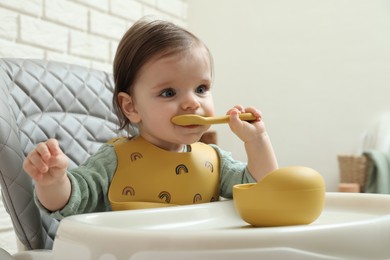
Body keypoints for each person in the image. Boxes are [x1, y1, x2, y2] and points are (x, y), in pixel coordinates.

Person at [23, 18, 278, 219]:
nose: (193, 102)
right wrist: (54, 183)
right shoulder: (115, 160)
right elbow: (71, 202)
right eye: (169, 92)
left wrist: (257, 141)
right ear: (131, 106)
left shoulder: (215, 161)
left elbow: (262, 192)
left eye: (201, 89)